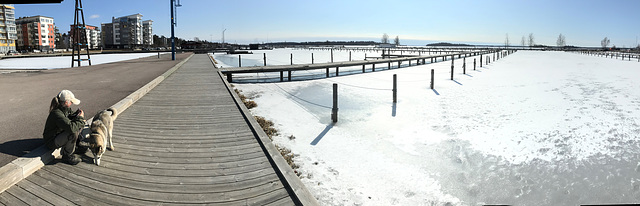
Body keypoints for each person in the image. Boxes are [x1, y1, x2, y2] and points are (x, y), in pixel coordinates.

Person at [42, 90, 89, 165]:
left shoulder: (65, 109)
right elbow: (71, 128)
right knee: (73, 131)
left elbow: (70, 116)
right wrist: (80, 119)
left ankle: (76, 144)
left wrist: (77, 115)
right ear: (66, 102)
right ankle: (67, 155)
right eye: (71, 101)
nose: (72, 103)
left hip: (59, 134)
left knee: (79, 124)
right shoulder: (57, 114)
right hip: (51, 141)